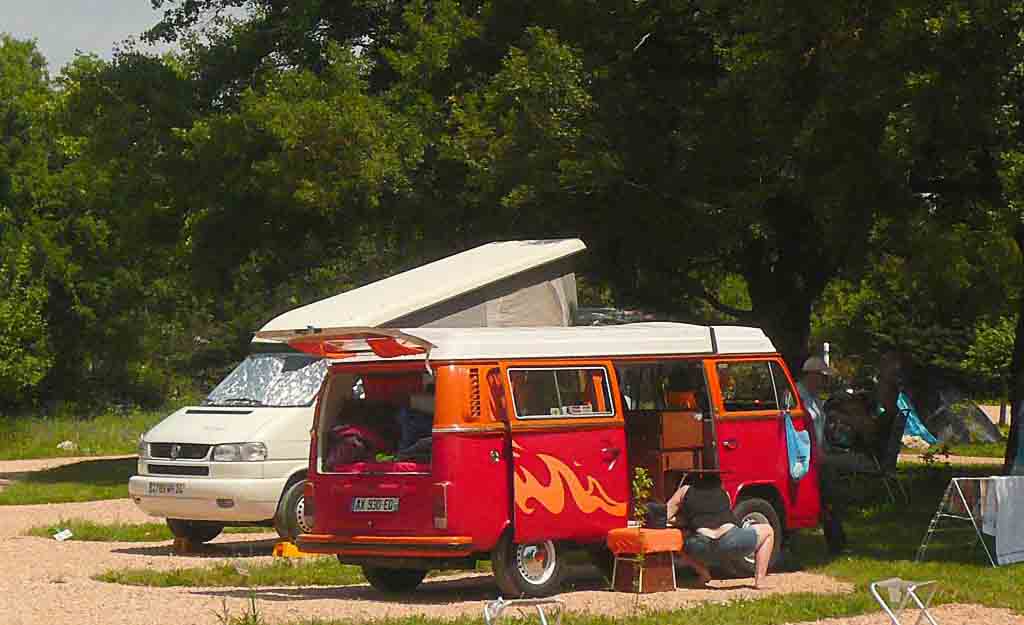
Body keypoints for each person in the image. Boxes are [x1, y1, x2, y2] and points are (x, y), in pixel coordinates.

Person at [665, 472, 775, 588]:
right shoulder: (724, 493)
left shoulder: (684, 490)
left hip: (700, 547)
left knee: (675, 539)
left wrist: (679, 520)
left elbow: (665, 514)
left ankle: (703, 573)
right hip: (731, 542)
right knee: (768, 531)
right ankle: (760, 581)